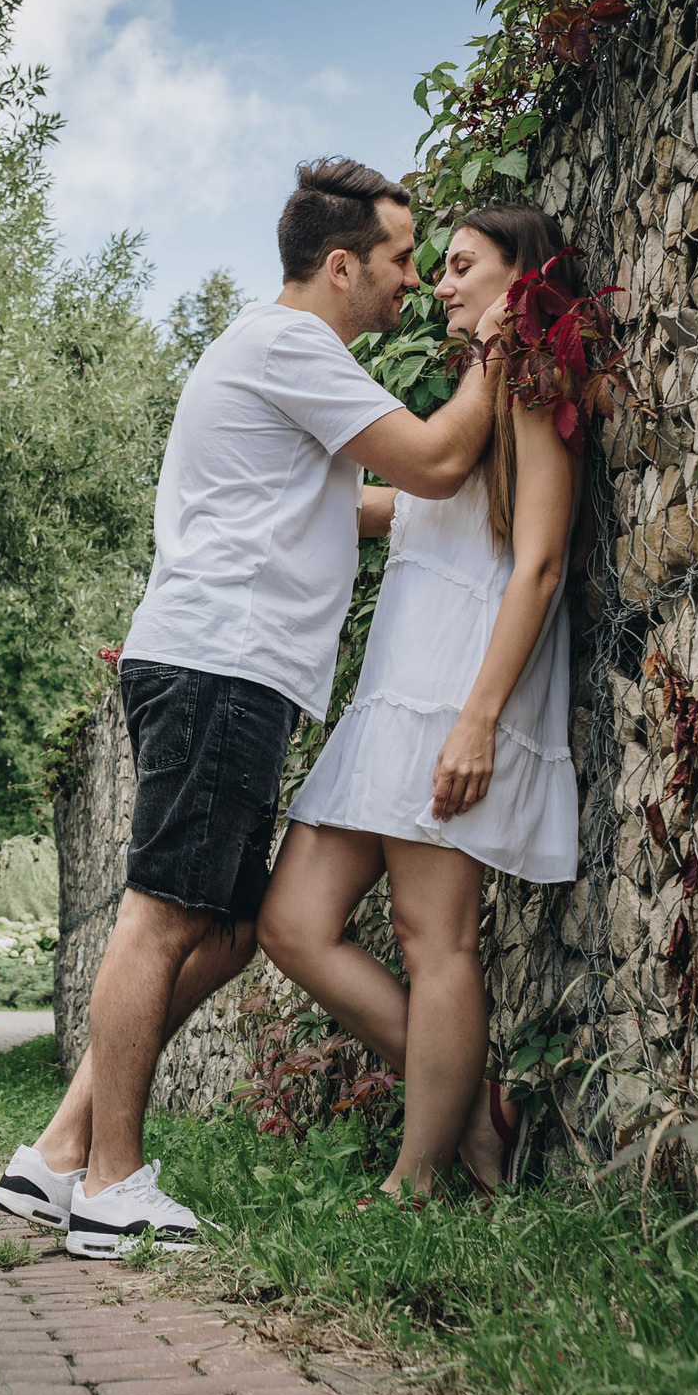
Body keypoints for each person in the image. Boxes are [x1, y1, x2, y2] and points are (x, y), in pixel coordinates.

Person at [0, 158, 507, 1259]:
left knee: (224, 931)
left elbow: (350, 507)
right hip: (223, 666)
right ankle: (115, 1185)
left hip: (228, 666)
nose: (414, 283)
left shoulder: (271, 356)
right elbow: (436, 460)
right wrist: (499, 352)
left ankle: (60, 1151)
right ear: (339, 266)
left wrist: (432, 521)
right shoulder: (294, 348)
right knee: (164, 917)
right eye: (403, 261)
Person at [256, 205, 587, 1205]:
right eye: (435, 269)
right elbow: (403, 504)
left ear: (520, 278)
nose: (439, 287)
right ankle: (471, 1101)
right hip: (392, 697)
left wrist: (479, 718)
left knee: (429, 937)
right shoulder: (470, 400)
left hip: (454, 695)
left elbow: (538, 563)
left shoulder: (530, 382)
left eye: (461, 267)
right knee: (293, 923)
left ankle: (416, 1174)